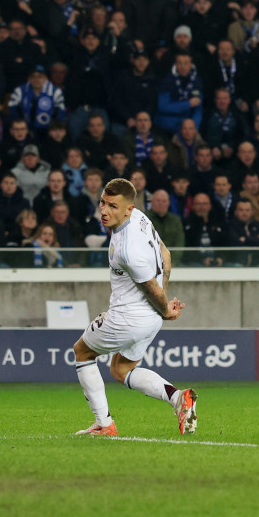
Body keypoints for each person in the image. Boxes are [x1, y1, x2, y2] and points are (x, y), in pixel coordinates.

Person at [70, 177, 197, 436]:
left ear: (128, 208)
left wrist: (165, 307)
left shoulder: (126, 249)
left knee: (82, 352)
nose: (104, 211)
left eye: (113, 206)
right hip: (150, 319)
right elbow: (166, 256)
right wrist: (164, 306)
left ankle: (104, 425)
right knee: (121, 369)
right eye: (103, 203)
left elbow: (150, 286)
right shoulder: (141, 218)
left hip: (128, 317)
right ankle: (178, 398)